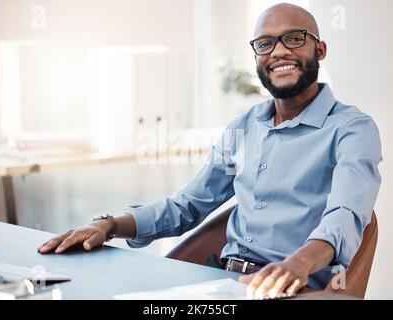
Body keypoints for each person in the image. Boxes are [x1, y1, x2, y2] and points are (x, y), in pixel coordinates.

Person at [38, 3, 382, 299]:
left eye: (294, 39)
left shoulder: (353, 128)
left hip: (298, 290)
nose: (278, 52)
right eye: (265, 44)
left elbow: (345, 215)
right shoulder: (243, 127)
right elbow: (188, 205)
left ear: (320, 50)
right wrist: (111, 226)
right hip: (220, 282)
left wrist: (298, 263)